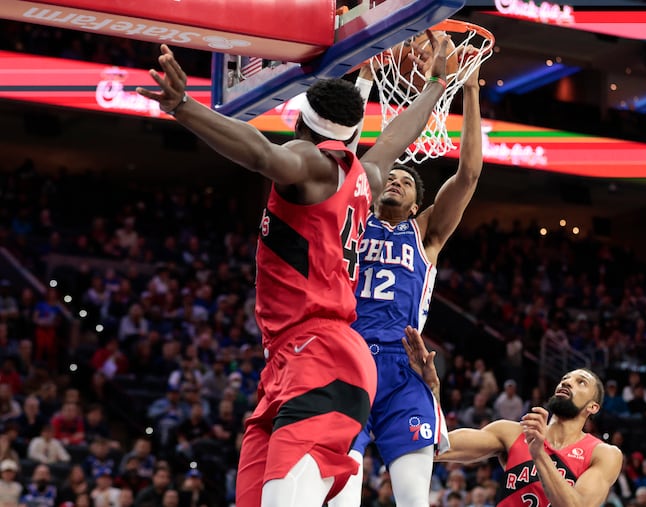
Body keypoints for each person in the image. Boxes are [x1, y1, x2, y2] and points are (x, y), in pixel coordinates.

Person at [138, 32, 450, 507]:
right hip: (290, 359)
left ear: (303, 126)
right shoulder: (366, 175)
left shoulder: (310, 161)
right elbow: (395, 136)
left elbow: (265, 155)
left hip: (323, 353)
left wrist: (184, 106)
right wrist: (433, 85)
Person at [330, 55, 483, 507]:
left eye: (404, 181)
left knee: (414, 499)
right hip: (349, 358)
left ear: (418, 204)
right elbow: (344, 156)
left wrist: (471, 90)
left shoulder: (426, 234)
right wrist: (362, 79)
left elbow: (469, 174)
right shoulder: (355, 219)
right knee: (342, 494)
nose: (393, 180)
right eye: (389, 177)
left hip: (406, 368)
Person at [402, 327, 623, 507]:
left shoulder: (603, 454)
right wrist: (428, 389)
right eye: (565, 378)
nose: (567, 382)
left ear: (593, 407)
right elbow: (434, 448)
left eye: (580, 382)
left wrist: (539, 454)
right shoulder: (512, 433)